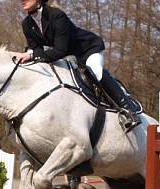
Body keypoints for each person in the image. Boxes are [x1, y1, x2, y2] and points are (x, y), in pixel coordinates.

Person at [18, 0, 142, 132]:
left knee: (95, 71)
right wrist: (27, 55)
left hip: (87, 50)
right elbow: (35, 49)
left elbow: (59, 50)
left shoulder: (57, 15)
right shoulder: (27, 23)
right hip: (69, 56)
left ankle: (129, 110)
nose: (22, 0)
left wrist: (32, 55)